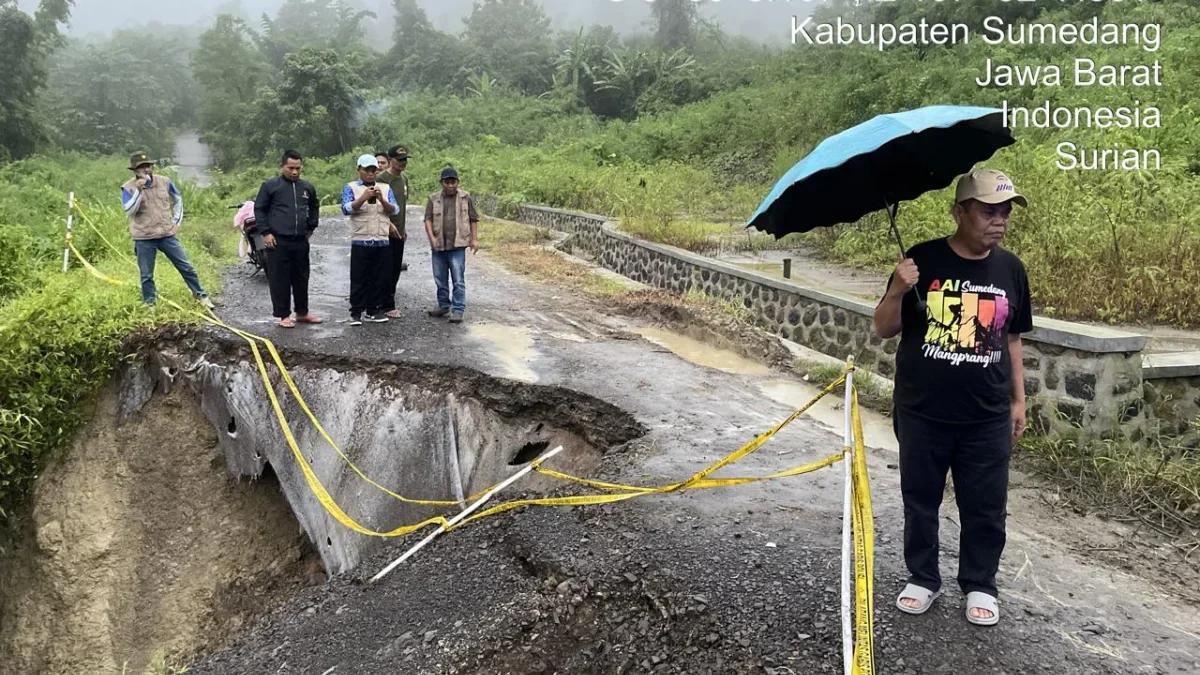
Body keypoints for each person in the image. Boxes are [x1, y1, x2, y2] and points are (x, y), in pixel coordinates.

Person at [873, 168, 1033, 628]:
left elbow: (1014, 339)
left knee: (984, 504)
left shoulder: (1010, 269)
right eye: (988, 211)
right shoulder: (921, 261)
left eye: (1004, 212)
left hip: (985, 415)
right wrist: (899, 288)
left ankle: (980, 583)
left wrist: (1018, 401)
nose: (998, 221)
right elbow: (884, 328)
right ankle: (922, 577)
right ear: (959, 212)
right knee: (920, 498)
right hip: (923, 411)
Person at [120, 151, 215, 309]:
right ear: (135, 170)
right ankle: (150, 304)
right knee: (146, 275)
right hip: (143, 237)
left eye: (148, 166)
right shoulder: (128, 187)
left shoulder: (165, 181)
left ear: (152, 166)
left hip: (166, 234)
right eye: (142, 167)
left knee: (186, 266)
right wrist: (139, 191)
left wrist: (176, 221)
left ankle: (201, 297)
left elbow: (178, 200)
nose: (146, 170)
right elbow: (129, 210)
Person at [254, 150, 323, 328]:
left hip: (300, 240)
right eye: (290, 168)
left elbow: (315, 205)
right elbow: (259, 209)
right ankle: (284, 315)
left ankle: (302, 312)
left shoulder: (306, 187)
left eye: (298, 168)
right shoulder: (270, 186)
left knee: (301, 277)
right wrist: (266, 233)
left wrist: (311, 226)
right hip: (277, 240)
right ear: (282, 166)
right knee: (279, 278)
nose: (294, 172)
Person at [341, 154, 402, 326]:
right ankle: (355, 312)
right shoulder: (350, 187)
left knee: (379, 278)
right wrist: (363, 198)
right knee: (359, 277)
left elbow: (395, 209)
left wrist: (381, 198)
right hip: (361, 239)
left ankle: (373, 310)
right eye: (367, 170)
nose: (370, 173)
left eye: (373, 170)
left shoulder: (385, 187)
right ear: (358, 169)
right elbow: (346, 209)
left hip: (381, 239)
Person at [423, 167, 479, 324]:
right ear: (441, 183)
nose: (450, 185)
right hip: (439, 245)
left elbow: (473, 218)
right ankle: (443, 305)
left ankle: (458, 309)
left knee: (458, 279)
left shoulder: (465, 198)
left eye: (453, 182)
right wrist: (432, 238)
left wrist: (474, 239)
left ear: (457, 182)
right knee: (440, 279)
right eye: (446, 182)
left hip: (458, 245)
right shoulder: (433, 198)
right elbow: (427, 219)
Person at [376, 144, 411, 317]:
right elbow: (377, 206)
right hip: (384, 231)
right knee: (385, 268)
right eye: (399, 160)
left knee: (396, 267)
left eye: (405, 160)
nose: (403, 163)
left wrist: (403, 228)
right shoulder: (382, 179)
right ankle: (386, 305)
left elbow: (403, 205)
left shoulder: (404, 179)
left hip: (400, 231)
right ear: (391, 160)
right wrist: (388, 225)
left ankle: (387, 301)